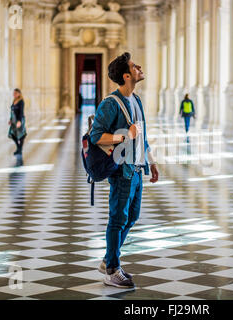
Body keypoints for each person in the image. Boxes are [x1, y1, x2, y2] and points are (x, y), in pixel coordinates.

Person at [90, 52, 159, 289]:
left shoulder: (136, 101)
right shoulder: (110, 103)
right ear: (126, 75)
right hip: (122, 170)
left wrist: (151, 161)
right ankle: (111, 270)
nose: (139, 67)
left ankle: (110, 258)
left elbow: (143, 136)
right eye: (134, 66)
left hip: (137, 168)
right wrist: (123, 135)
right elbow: (96, 136)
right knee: (118, 219)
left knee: (132, 217)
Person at [8, 88, 27, 155]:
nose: (14, 94)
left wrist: (19, 121)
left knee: (21, 135)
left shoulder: (21, 101)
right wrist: (10, 119)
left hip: (19, 119)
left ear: (19, 94)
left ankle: (20, 149)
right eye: (14, 93)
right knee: (13, 134)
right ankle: (19, 147)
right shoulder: (14, 101)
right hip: (13, 120)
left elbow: (21, 112)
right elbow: (12, 111)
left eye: (15, 93)